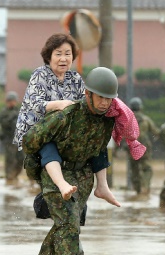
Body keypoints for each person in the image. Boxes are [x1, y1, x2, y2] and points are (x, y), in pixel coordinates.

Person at [14, 33, 143, 202]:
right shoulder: (40, 75)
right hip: (39, 130)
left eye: (67, 54)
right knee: (49, 147)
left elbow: (86, 101)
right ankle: (61, 184)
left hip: (65, 128)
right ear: (49, 56)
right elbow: (34, 104)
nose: (63, 58)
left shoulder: (74, 78)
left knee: (97, 136)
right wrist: (59, 104)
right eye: (58, 53)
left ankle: (103, 186)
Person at [23, 67, 122, 255]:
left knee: (67, 225)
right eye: (101, 97)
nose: (105, 103)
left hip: (84, 177)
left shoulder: (107, 120)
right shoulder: (66, 115)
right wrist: (47, 159)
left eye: (109, 98)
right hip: (57, 173)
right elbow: (30, 140)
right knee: (69, 225)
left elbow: (100, 151)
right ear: (88, 94)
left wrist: (102, 185)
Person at [127, 97, 159, 197]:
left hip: (131, 147)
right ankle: (145, 187)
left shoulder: (127, 119)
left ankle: (137, 189)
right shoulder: (146, 119)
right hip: (144, 147)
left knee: (134, 168)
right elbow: (156, 132)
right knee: (146, 168)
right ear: (140, 107)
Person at [0, 91, 24, 182]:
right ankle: (9, 177)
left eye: (14, 101)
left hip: (19, 139)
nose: (12, 103)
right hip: (9, 139)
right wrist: (11, 117)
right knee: (10, 158)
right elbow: (3, 124)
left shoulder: (18, 110)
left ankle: (15, 174)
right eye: (11, 101)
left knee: (21, 158)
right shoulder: (4, 112)